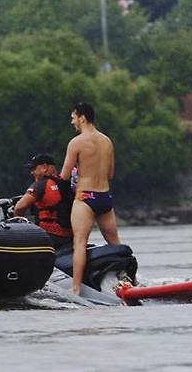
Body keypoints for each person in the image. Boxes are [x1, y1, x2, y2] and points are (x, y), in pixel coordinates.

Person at [59, 102, 121, 295]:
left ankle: (76, 288)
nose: (72, 122)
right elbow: (110, 173)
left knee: (80, 242)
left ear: (82, 117)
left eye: (73, 118)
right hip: (104, 196)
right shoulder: (107, 141)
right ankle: (128, 279)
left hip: (85, 196)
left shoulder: (76, 142)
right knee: (115, 243)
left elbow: (64, 176)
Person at [14, 153, 73, 250]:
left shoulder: (41, 185)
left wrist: (17, 224)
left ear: (45, 167)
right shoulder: (65, 183)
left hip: (49, 236)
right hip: (68, 236)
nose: (32, 172)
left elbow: (19, 207)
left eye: (34, 169)